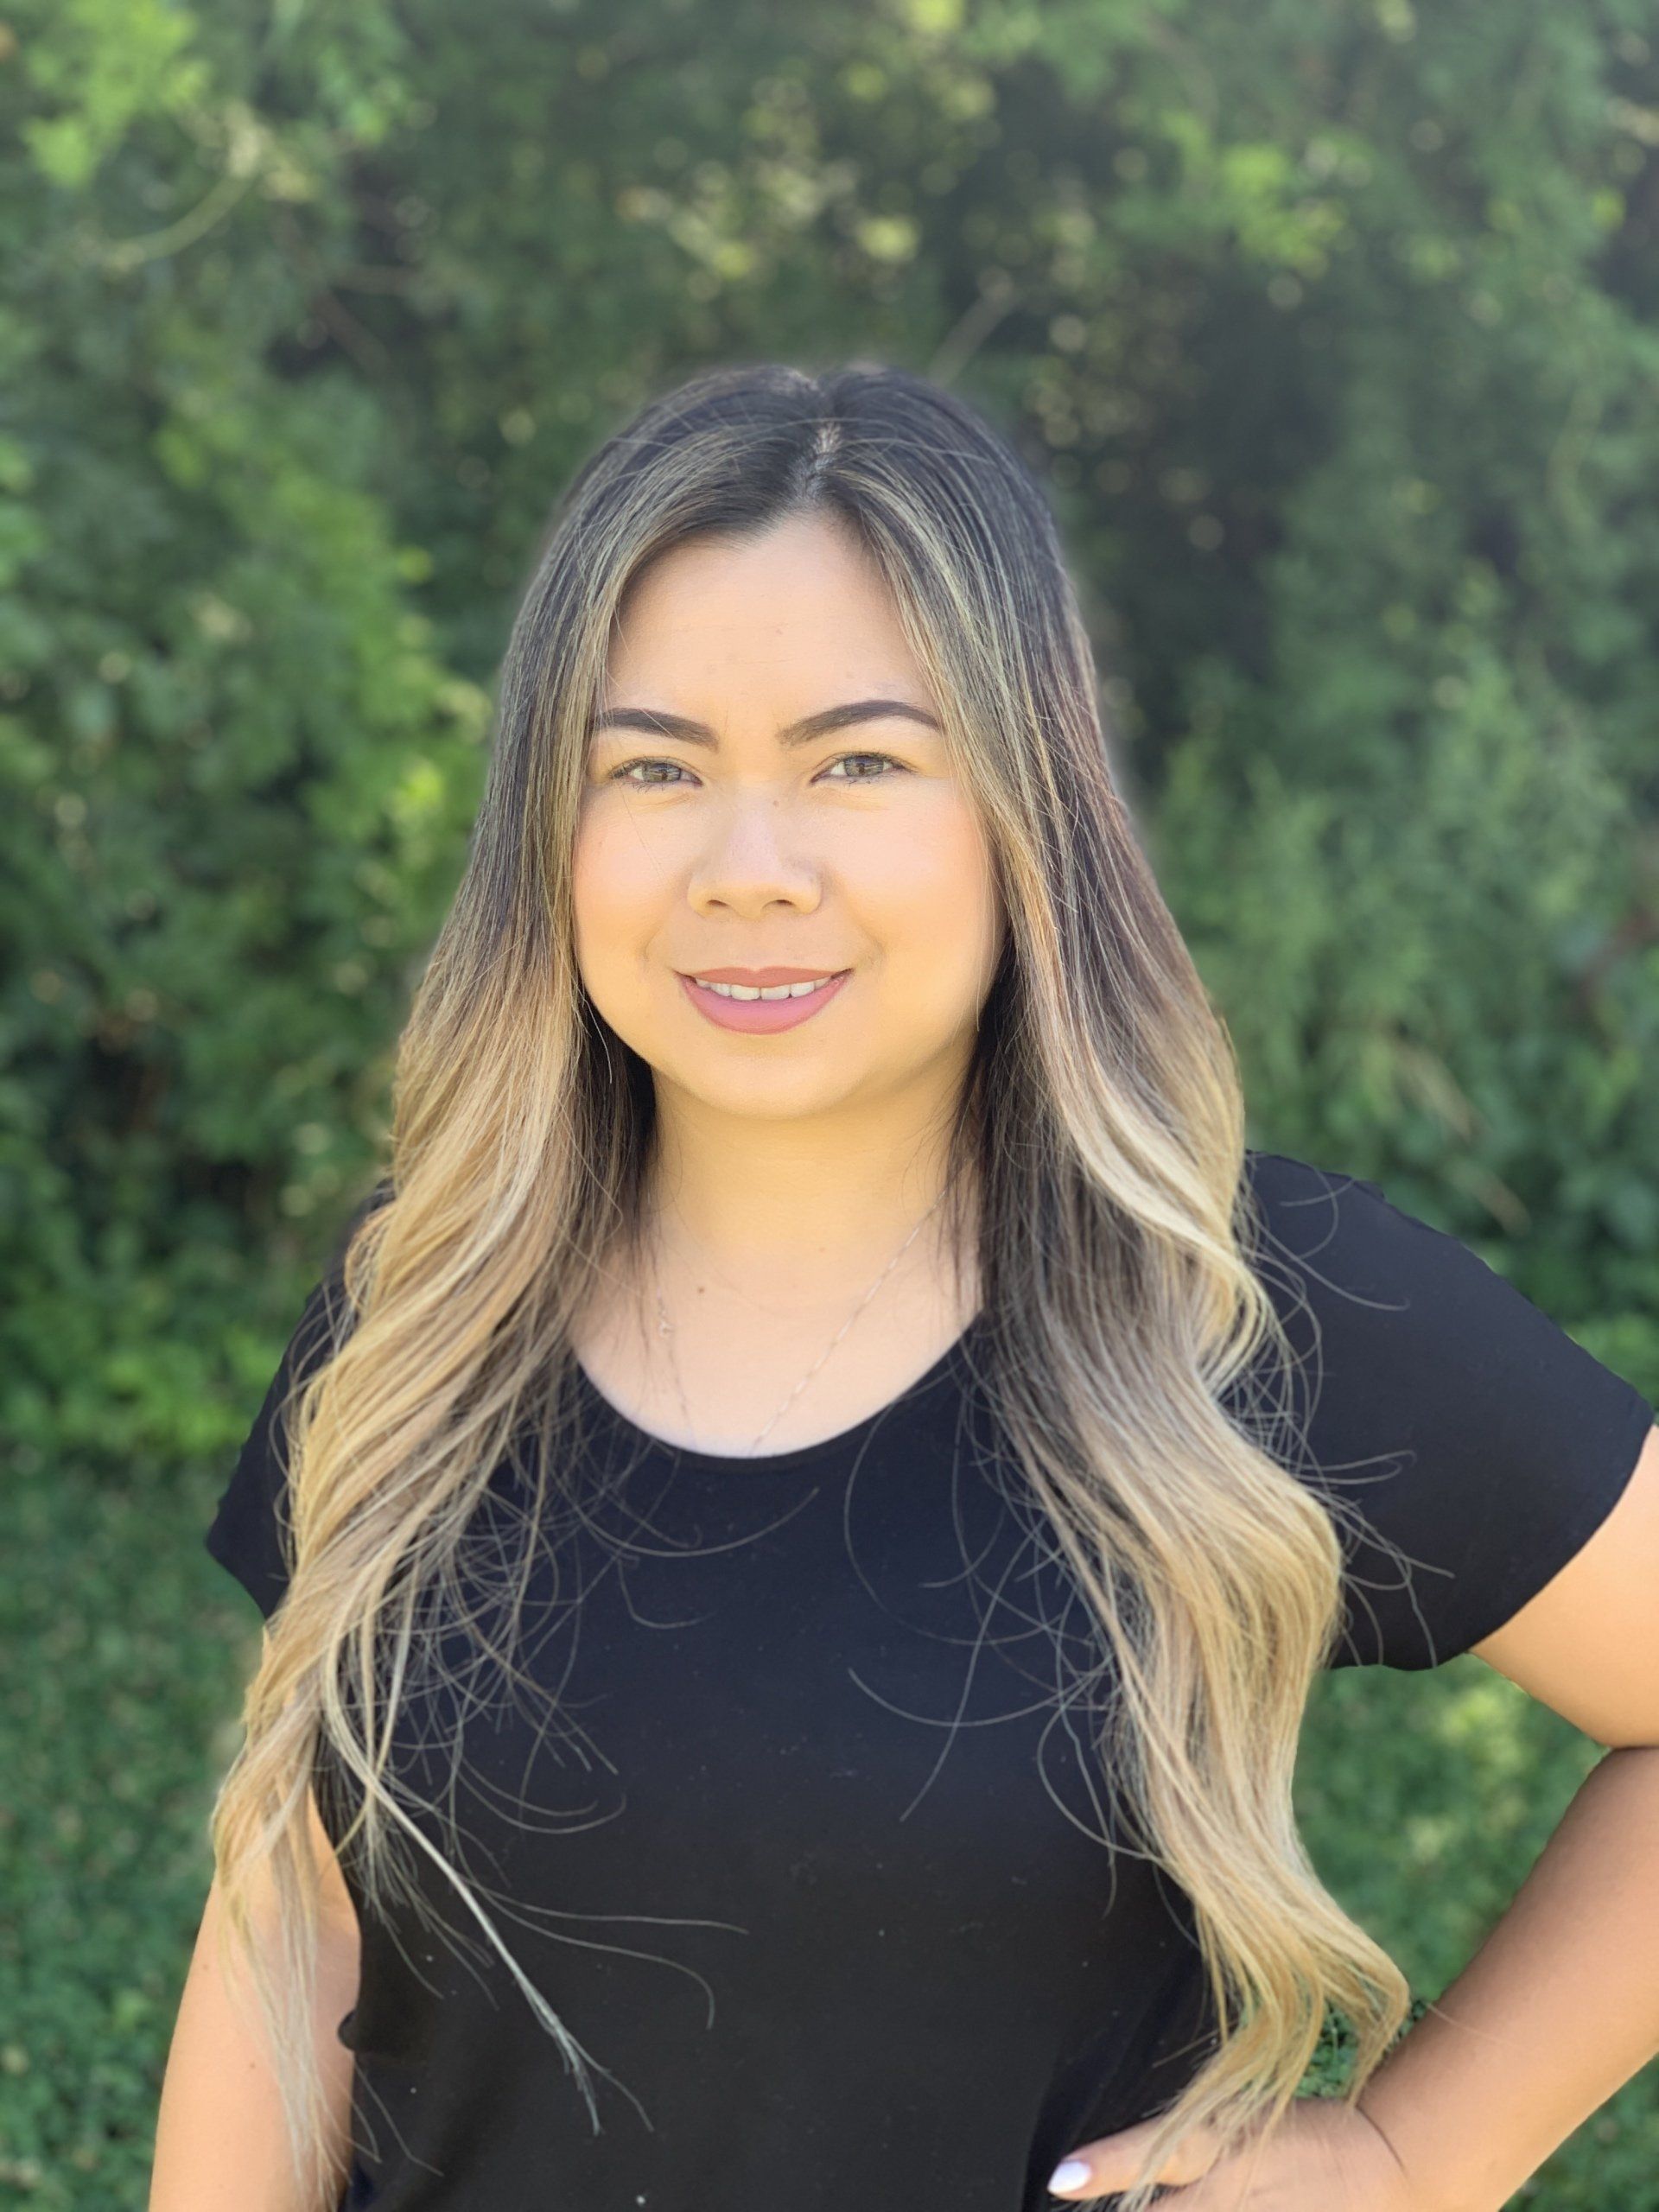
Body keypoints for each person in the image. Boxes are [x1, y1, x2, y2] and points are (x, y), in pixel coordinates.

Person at [152, 362, 1659, 2212]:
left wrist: (1425, 2147)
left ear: (1025, 804)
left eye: (857, 759)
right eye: (654, 766)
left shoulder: (1251, 1316)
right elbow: (300, 1911)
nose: (751, 868)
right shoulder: (427, 1295)